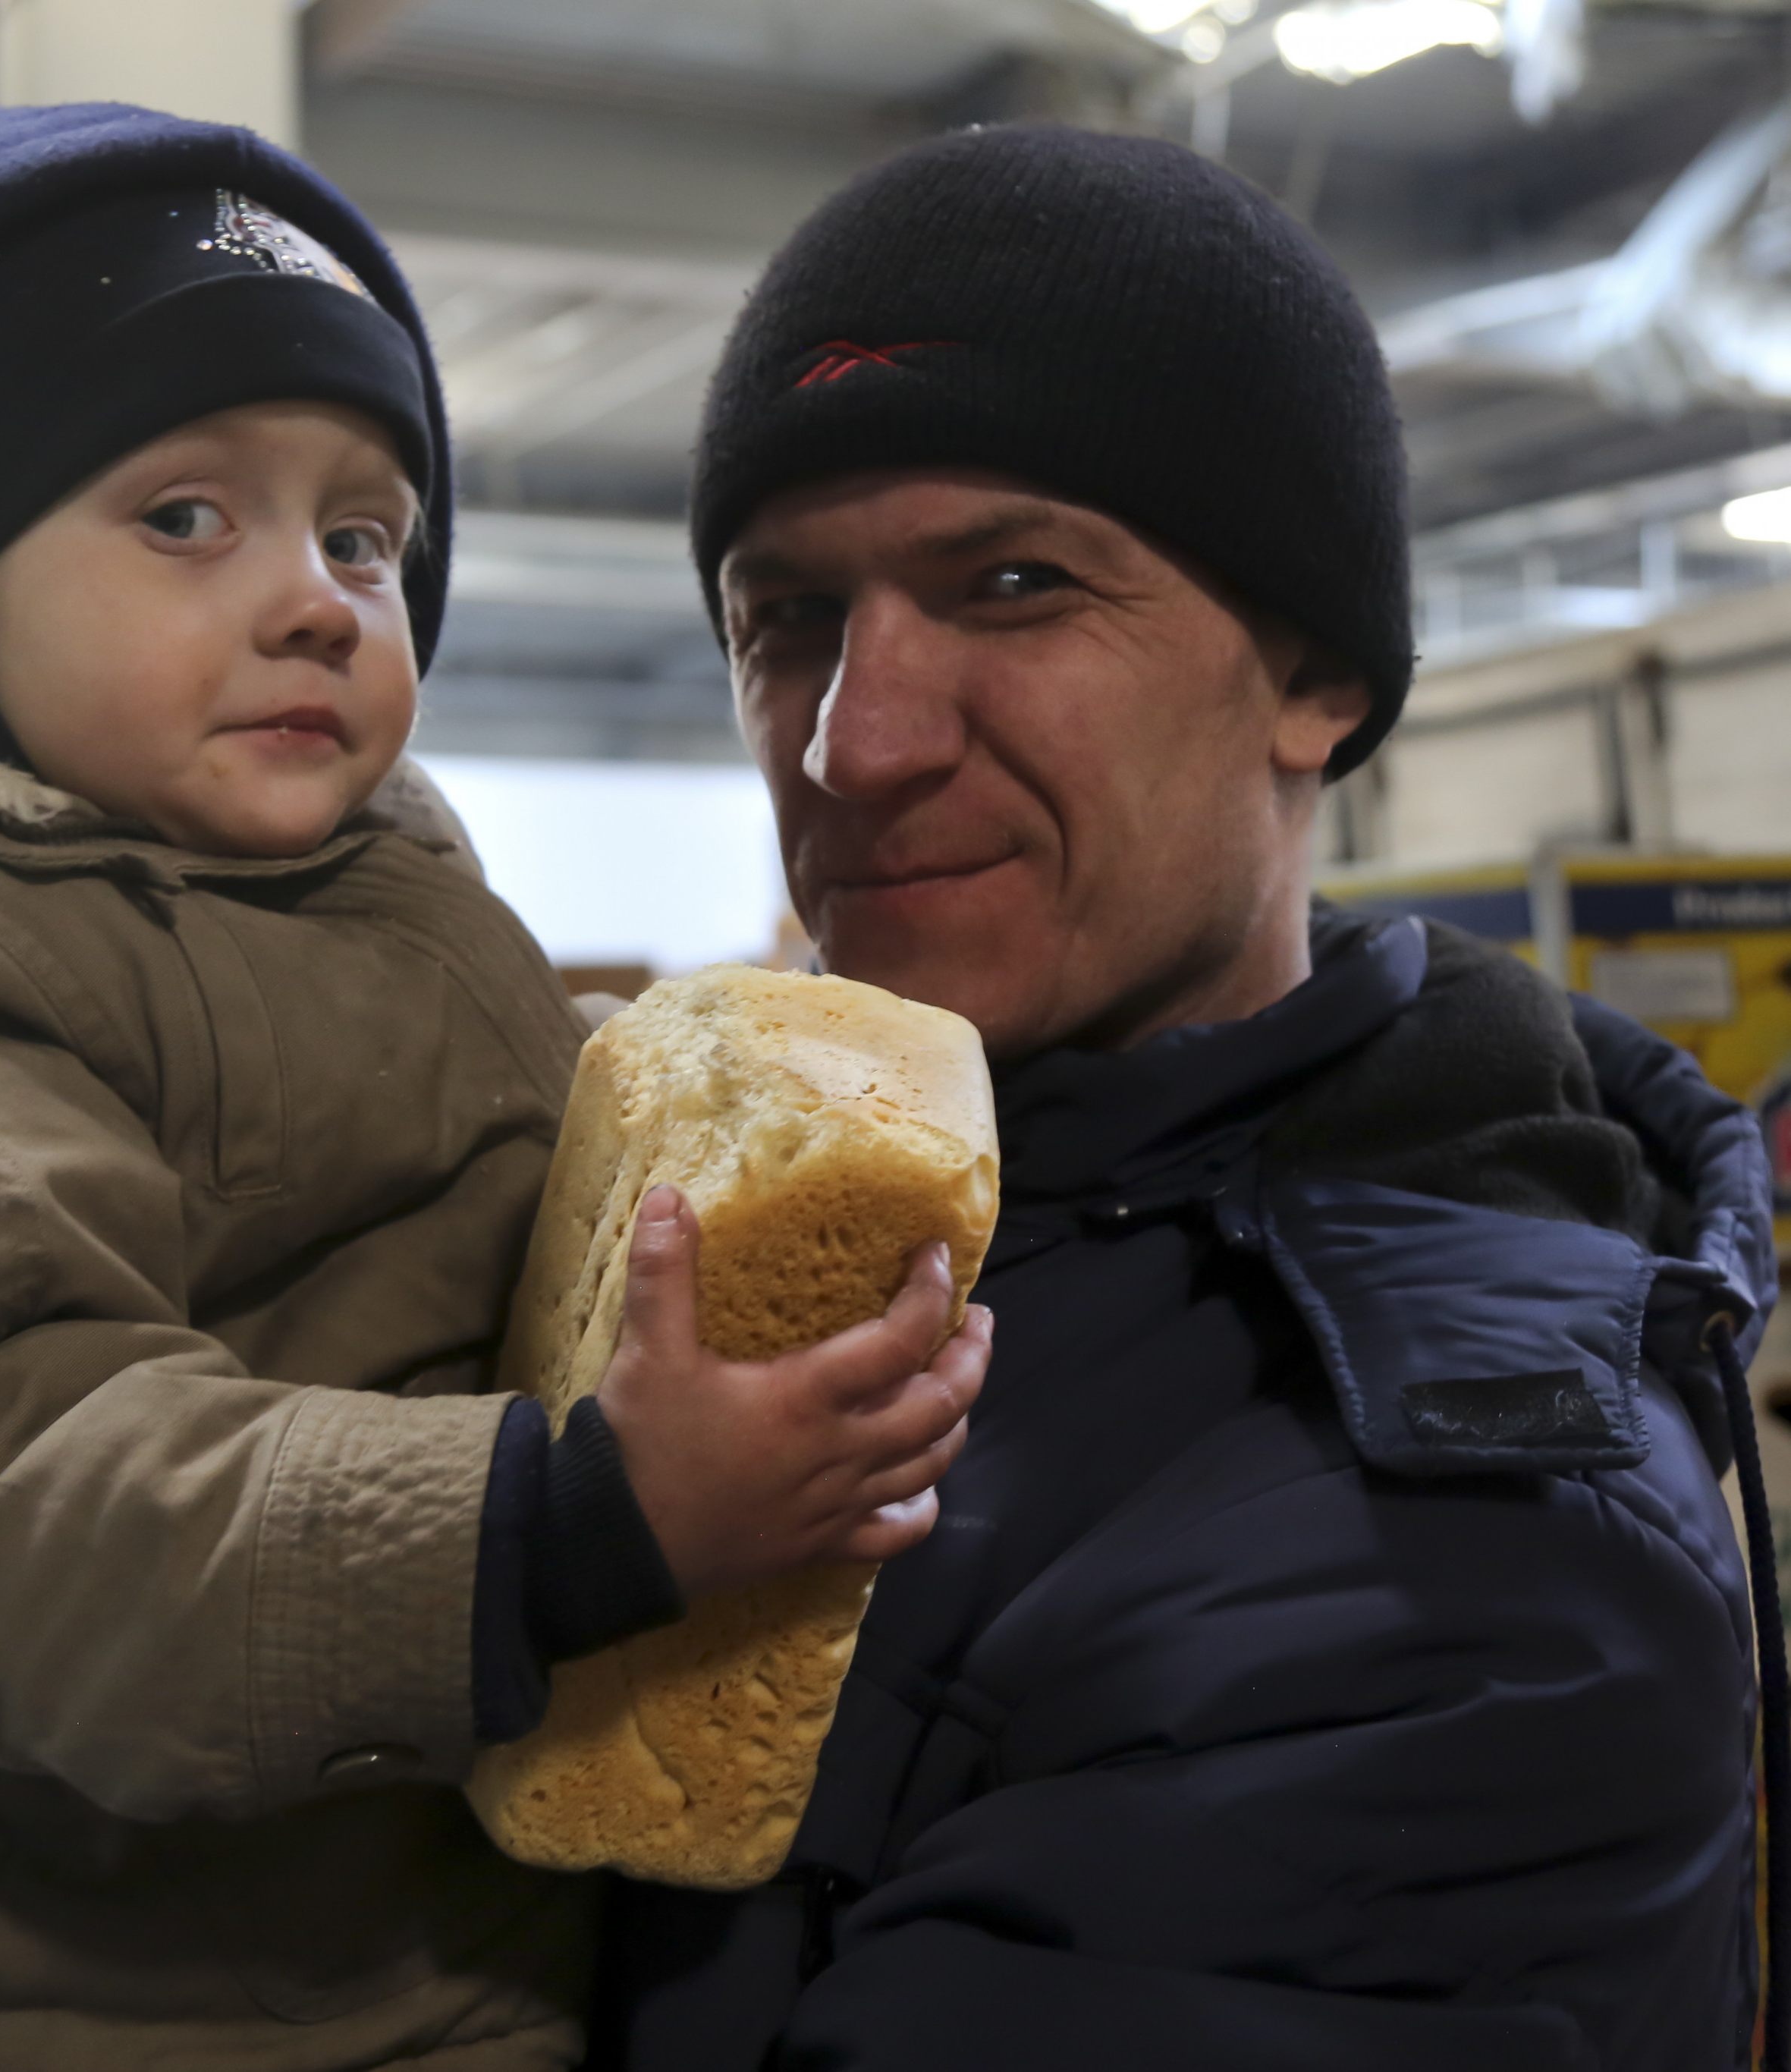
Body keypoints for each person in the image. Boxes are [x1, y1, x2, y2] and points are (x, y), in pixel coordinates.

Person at [0, 103, 990, 2072]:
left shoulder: (387, 896)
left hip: (439, 1969)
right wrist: (576, 1520)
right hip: (101, 2019)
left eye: (363, 534)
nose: (318, 595)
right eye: (182, 516)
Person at [591, 123, 1780, 2071]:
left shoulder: (1470, 1577)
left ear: (1314, 676)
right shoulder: (749, 1242)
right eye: (787, 616)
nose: (853, 743)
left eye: (1010, 583)